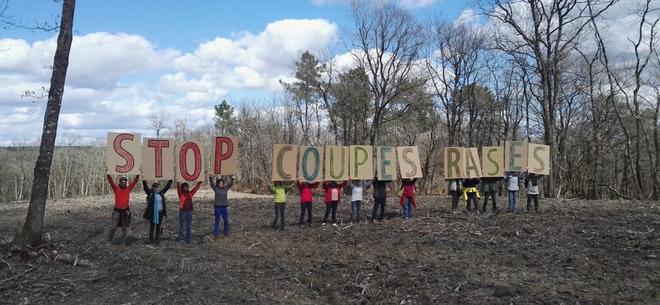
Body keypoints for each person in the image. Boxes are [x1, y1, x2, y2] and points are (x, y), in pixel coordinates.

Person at [106, 174, 139, 242]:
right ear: (120, 182)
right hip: (117, 212)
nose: (124, 183)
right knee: (113, 227)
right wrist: (108, 173)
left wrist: (138, 174)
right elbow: (110, 181)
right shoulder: (116, 188)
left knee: (124, 228)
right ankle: (109, 241)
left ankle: (121, 240)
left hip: (125, 212)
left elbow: (134, 181)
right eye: (122, 182)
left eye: (125, 182)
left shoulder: (128, 189)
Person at [142, 179, 173, 244]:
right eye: (156, 187)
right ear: (153, 188)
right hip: (153, 213)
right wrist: (144, 180)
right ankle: (151, 239)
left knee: (158, 227)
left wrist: (170, 180)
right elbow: (145, 187)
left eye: (158, 187)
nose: (158, 188)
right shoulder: (150, 193)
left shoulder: (161, 193)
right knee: (152, 226)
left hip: (160, 212)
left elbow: (167, 187)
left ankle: (157, 239)